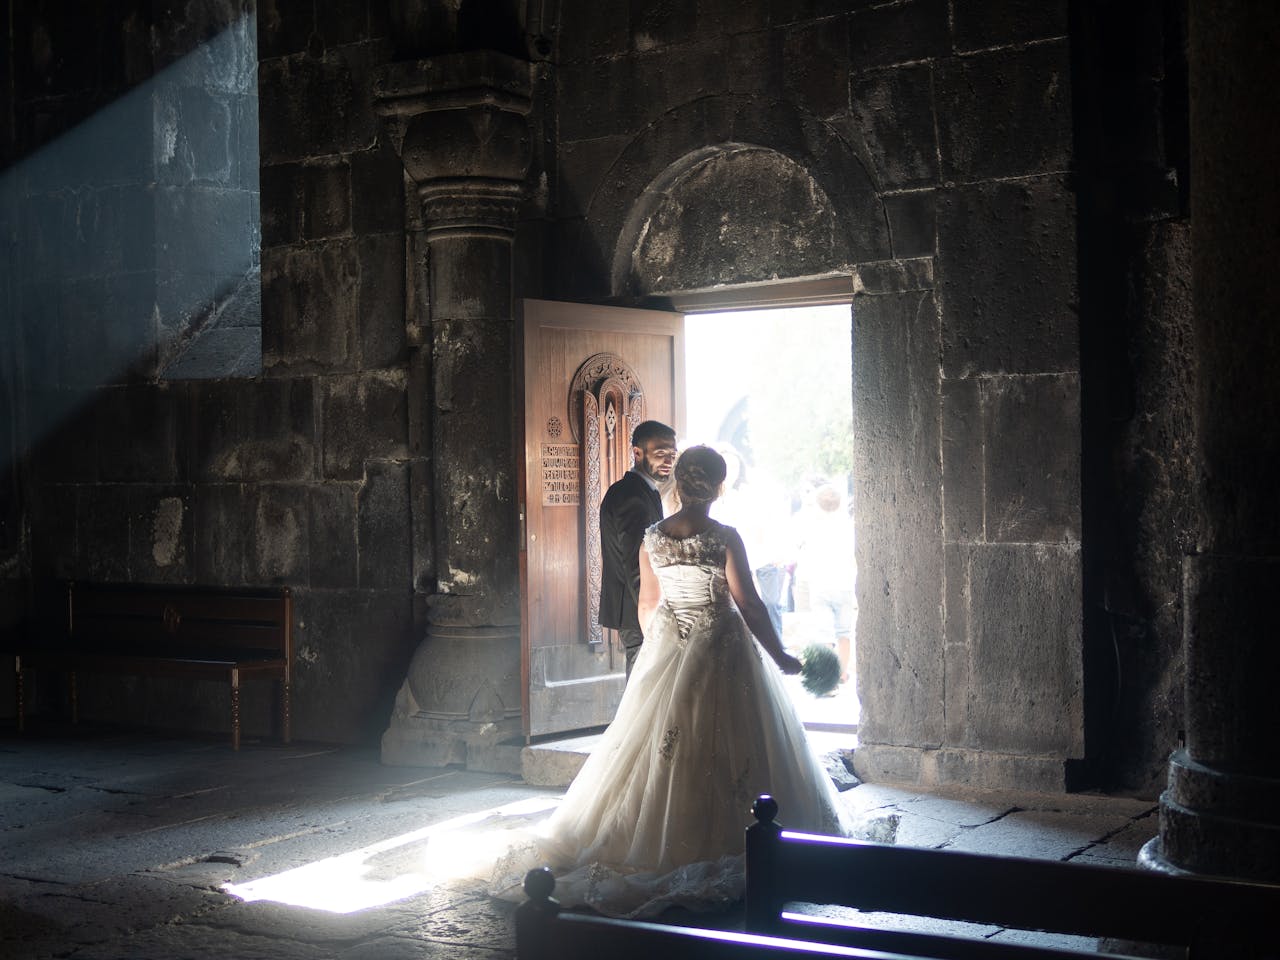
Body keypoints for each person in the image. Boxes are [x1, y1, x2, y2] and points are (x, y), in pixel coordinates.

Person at [488, 445, 854, 918]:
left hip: (670, 642)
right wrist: (781, 655)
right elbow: (751, 605)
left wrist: (657, 651)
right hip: (722, 648)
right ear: (719, 488)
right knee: (733, 742)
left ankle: (656, 840)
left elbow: (647, 604)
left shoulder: (654, 537)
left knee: (662, 745)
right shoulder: (723, 536)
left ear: (677, 483)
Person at [598, 420, 677, 679]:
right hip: (637, 609)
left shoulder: (644, 491)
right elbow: (636, 562)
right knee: (641, 689)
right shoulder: (631, 496)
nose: (668, 460)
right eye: (660, 454)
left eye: (672, 455)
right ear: (637, 453)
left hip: (638, 606)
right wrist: (650, 616)